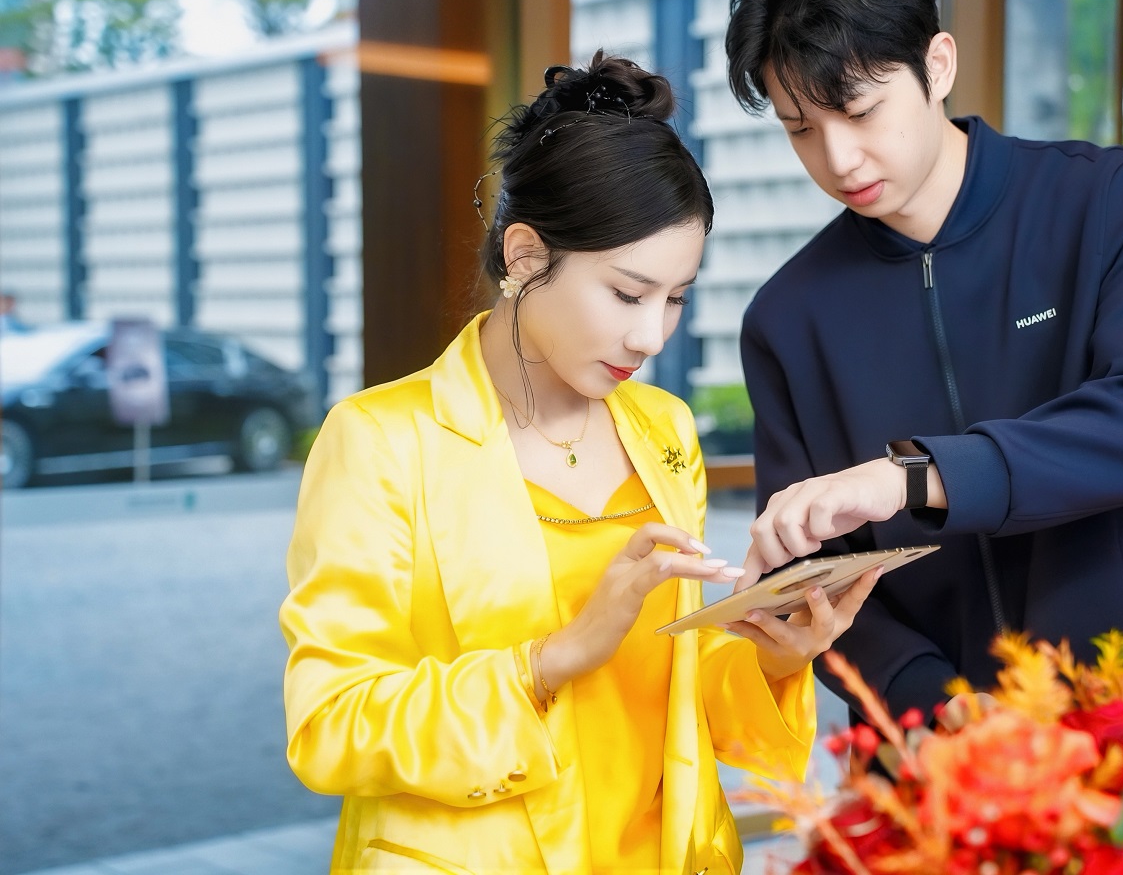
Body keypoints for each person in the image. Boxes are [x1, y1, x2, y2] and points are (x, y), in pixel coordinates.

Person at [280, 53, 878, 874]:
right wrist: (554, 657)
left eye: (676, 298)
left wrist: (775, 655)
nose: (651, 335)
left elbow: (668, 691)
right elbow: (330, 725)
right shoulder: (382, 441)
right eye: (627, 294)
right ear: (525, 256)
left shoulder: (663, 429)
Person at [722, 0, 1123, 724]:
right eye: (800, 129)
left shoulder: (1112, 203)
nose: (839, 159)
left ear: (938, 65)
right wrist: (930, 706)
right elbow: (817, 574)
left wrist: (913, 478)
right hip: (934, 756)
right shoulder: (788, 319)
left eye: (860, 111)